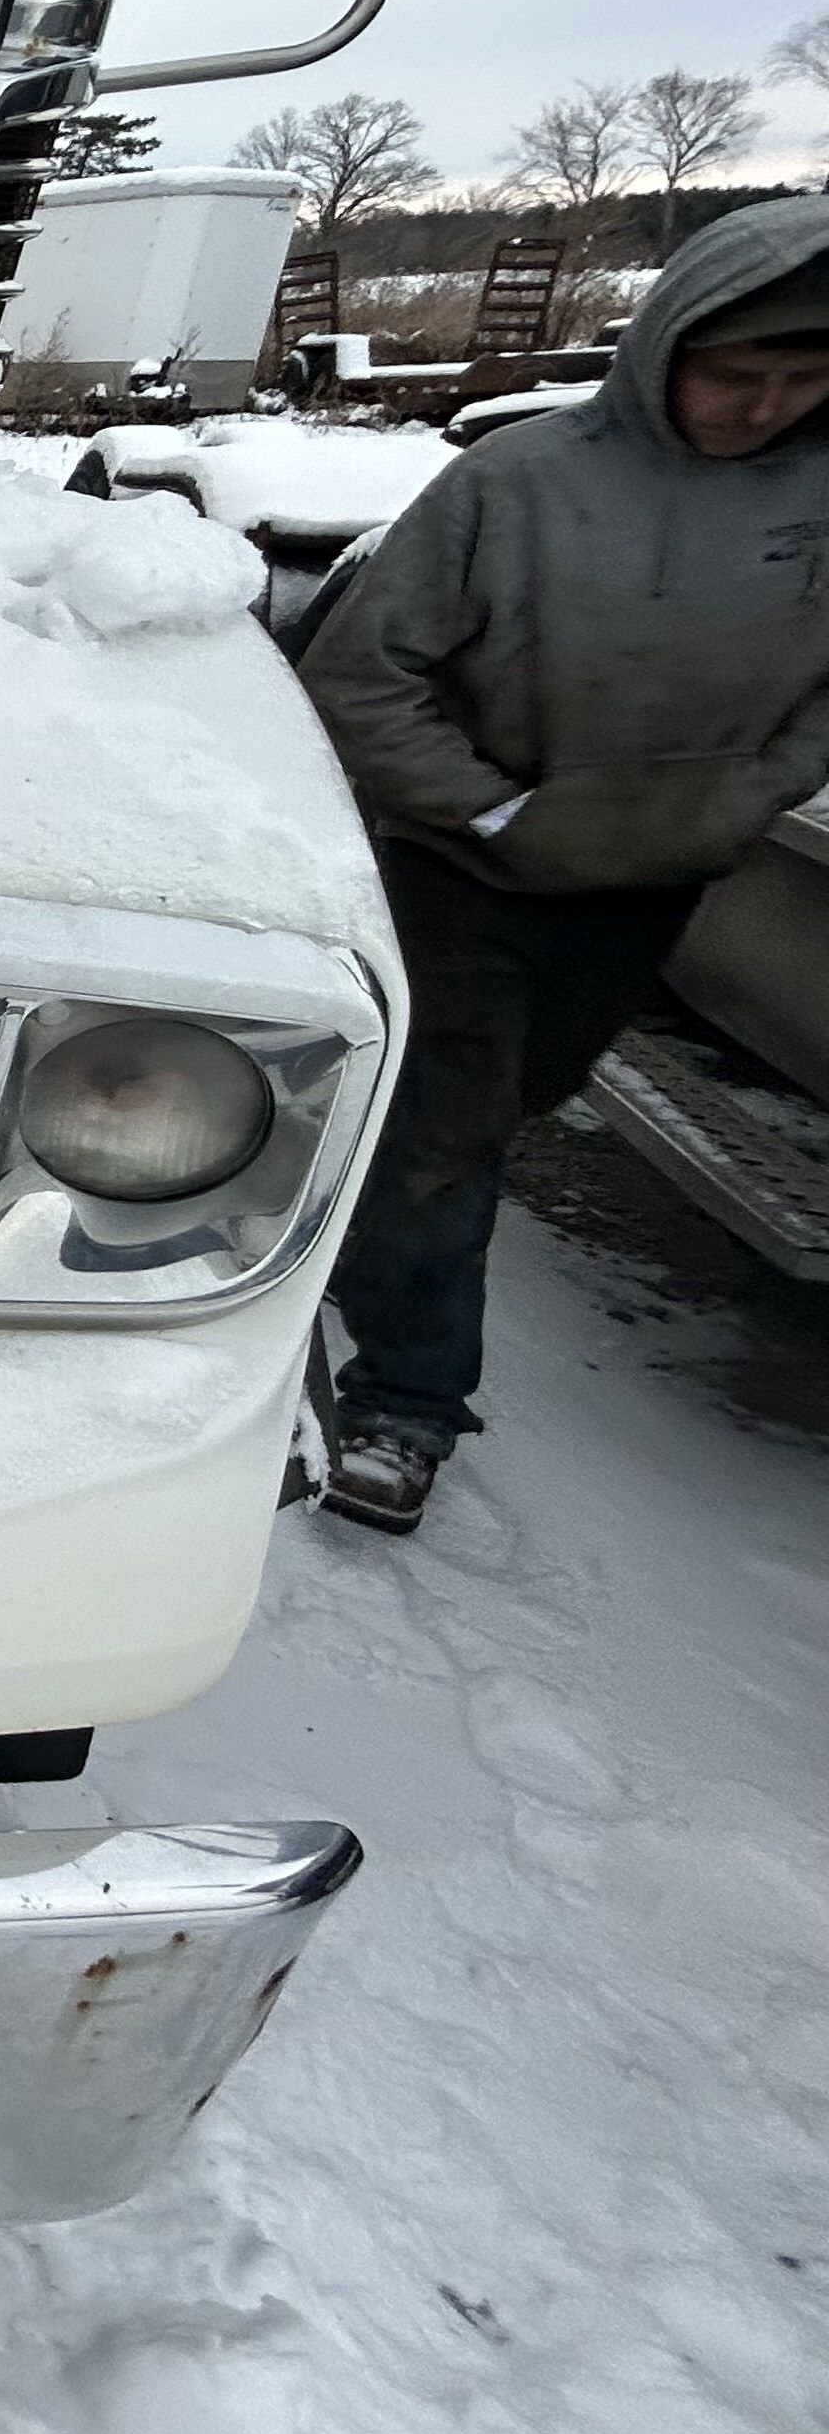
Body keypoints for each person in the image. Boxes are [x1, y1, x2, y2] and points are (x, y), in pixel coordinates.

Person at [296, 192, 829, 1533]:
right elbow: (364, 678)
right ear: (667, 350)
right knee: (445, 1134)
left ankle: (364, 1230)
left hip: (655, 877)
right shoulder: (517, 483)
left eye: (801, 378)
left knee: (522, 1098)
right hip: (467, 872)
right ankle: (405, 1407)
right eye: (735, 375)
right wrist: (493, 816)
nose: (761, 408)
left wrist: (748, 796)